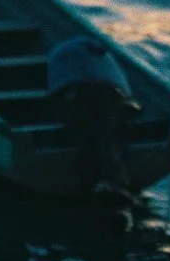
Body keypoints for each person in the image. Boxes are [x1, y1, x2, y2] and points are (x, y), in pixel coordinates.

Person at [46, 35, 139, 203]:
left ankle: (103, 183)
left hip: (91, 93)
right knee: (99, 132)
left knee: (98, 132)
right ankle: (108, 181)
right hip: (87, 93)